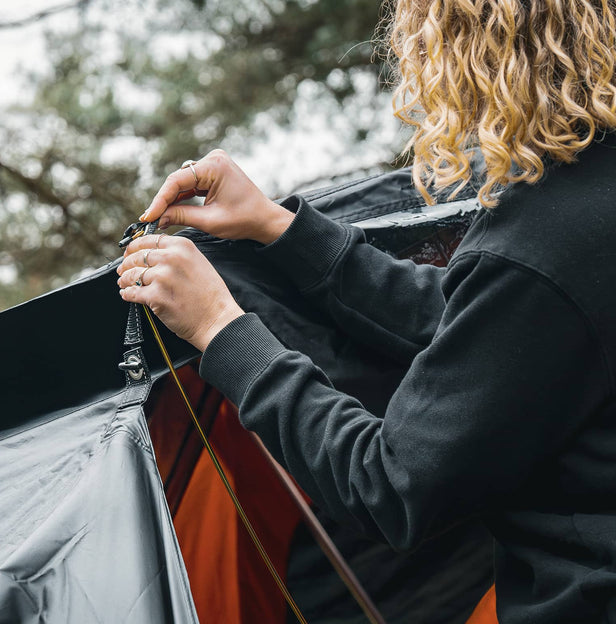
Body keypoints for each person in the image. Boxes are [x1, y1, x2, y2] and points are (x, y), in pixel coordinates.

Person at [117, 0, 616, 621]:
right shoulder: (585, 209)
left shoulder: (546, 237)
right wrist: (280, 228)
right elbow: (482, 327)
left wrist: (222, 328)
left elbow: (389, 486)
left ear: (468, 49)